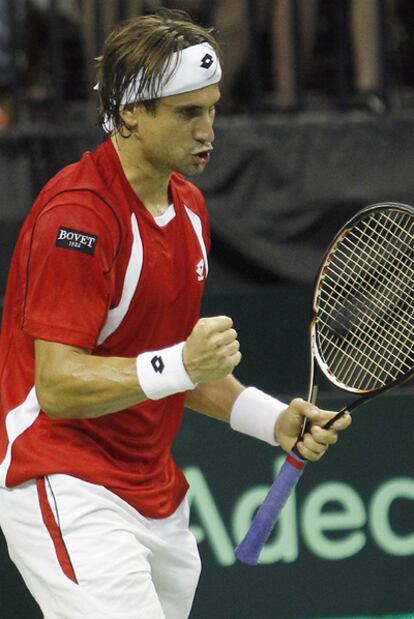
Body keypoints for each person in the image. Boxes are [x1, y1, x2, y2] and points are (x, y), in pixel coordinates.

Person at [0, 9, 351, 619]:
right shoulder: (77, 218)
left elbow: (177, 368)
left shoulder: (188, 208)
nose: (208, 130)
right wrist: (179, 363)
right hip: (63, 478)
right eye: (188, 113)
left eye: (212, 108)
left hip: (154, 492)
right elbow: (57, 386)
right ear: (132, 112)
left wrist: (274, 421)